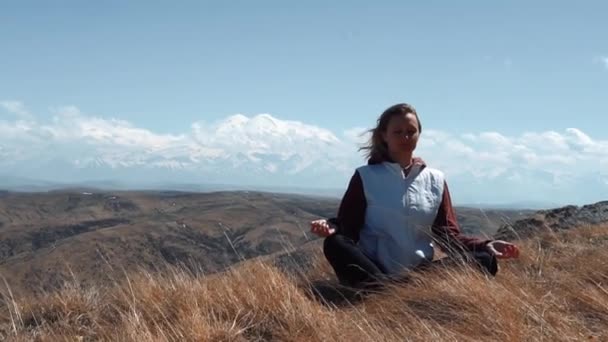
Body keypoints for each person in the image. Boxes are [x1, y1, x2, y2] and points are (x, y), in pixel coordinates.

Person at [310, 103, 519, 288]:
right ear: (384, 135)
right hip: (374, 269)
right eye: (398, 132)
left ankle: (389, 291)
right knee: (335, 244)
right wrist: (332, 226)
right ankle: (386, 289)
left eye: (411, 131)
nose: (405, 137)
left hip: (420, 274)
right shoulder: (366, 176)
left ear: (419, 134)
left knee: (484, 259)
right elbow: (349, 227)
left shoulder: (435, 179)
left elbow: (447, 236)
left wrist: (486, 245)